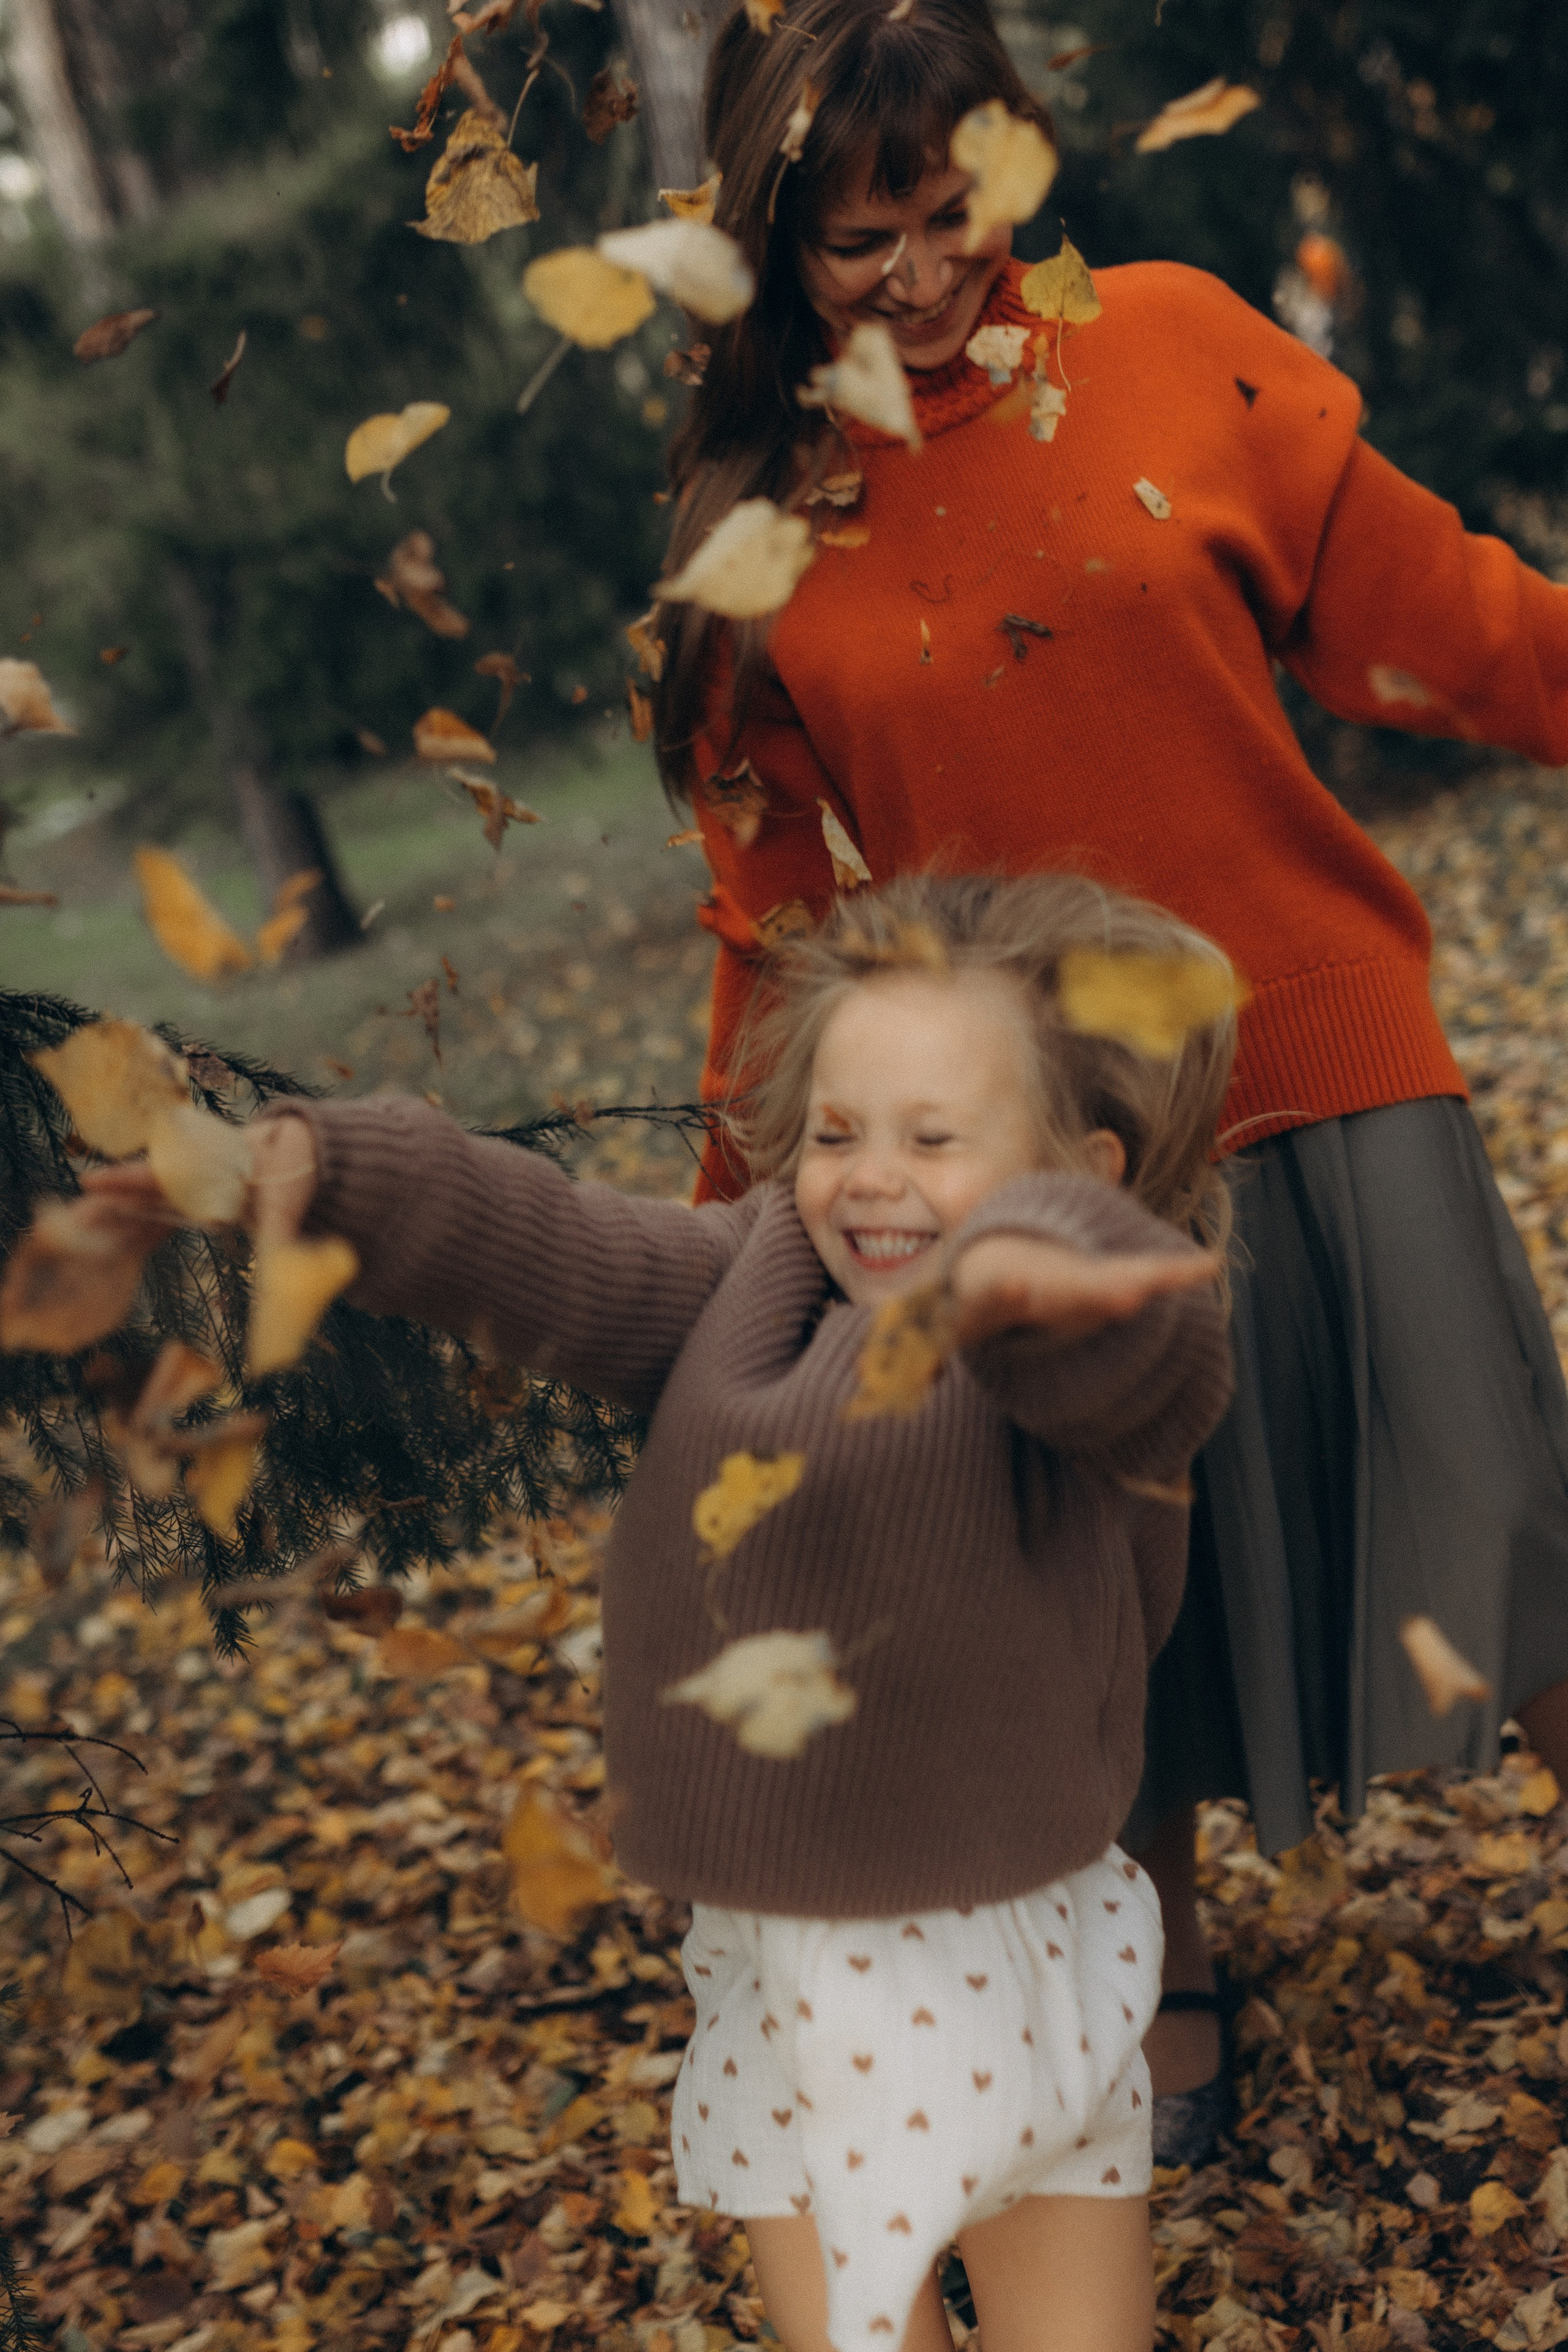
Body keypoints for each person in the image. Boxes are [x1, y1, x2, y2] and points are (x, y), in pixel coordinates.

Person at [647, 0, 1568, 2160]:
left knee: (1509, 1520)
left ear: (1017, 163)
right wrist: (729, 1251)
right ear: (773, 249)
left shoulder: (1167, 338)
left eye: (949, 208)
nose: (919, 272)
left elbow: (1434, 620)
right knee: (1096, 1631)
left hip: (1318, 1055)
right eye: (856, 240)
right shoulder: (754, 533)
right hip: (1037, 1158)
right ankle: (1161, 2021)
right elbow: (768, 931)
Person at [89, 870, 1234, 2352]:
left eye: (931, 1141)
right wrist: (336, 1170)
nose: (869, 1178)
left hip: (1003, 1934)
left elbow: (1154, 1356)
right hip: (782, 1944)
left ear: (1080, 1165)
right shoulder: (754, 1290)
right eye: (835, 1133)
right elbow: (556, 1248)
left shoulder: (1068, 1355)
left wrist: (1049, 1269)